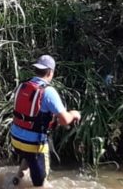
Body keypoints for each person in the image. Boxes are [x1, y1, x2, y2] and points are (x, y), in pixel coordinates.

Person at [9, 55, 81, 188]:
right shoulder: (48, 92)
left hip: (16, 140)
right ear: (50, 72)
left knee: (27, 157)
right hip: (33, 144)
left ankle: (15, 181)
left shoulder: (22, 86)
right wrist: (74, 114)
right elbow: (65, 120)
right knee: (41, 184)